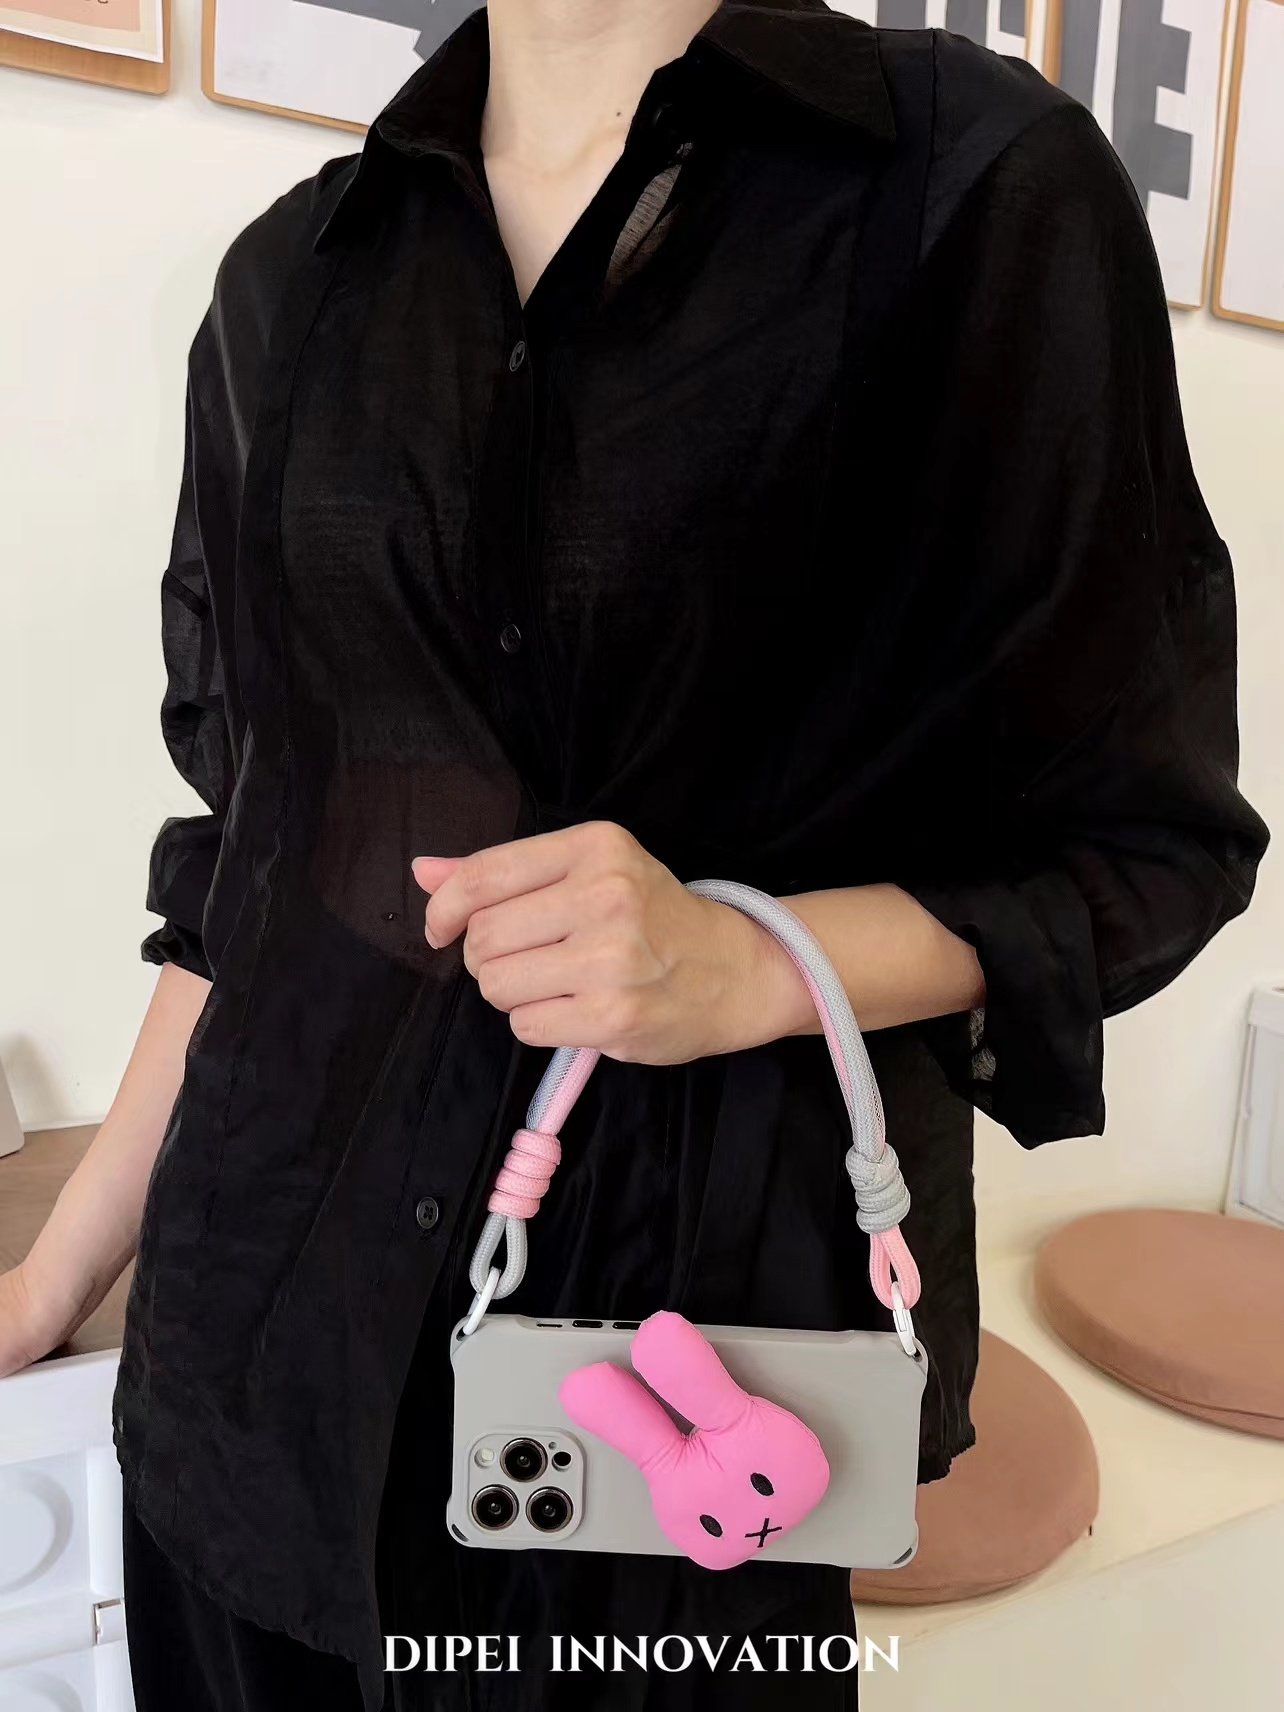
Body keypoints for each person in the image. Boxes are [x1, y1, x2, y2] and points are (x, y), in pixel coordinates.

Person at [0, 0, 1268, 1707]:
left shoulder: (963, 192)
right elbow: (261, 861)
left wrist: (751, 965)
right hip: (248, 1386)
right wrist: (56, 1275)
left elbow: (1143, 840)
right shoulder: (290, 280)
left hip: (669, 1418)